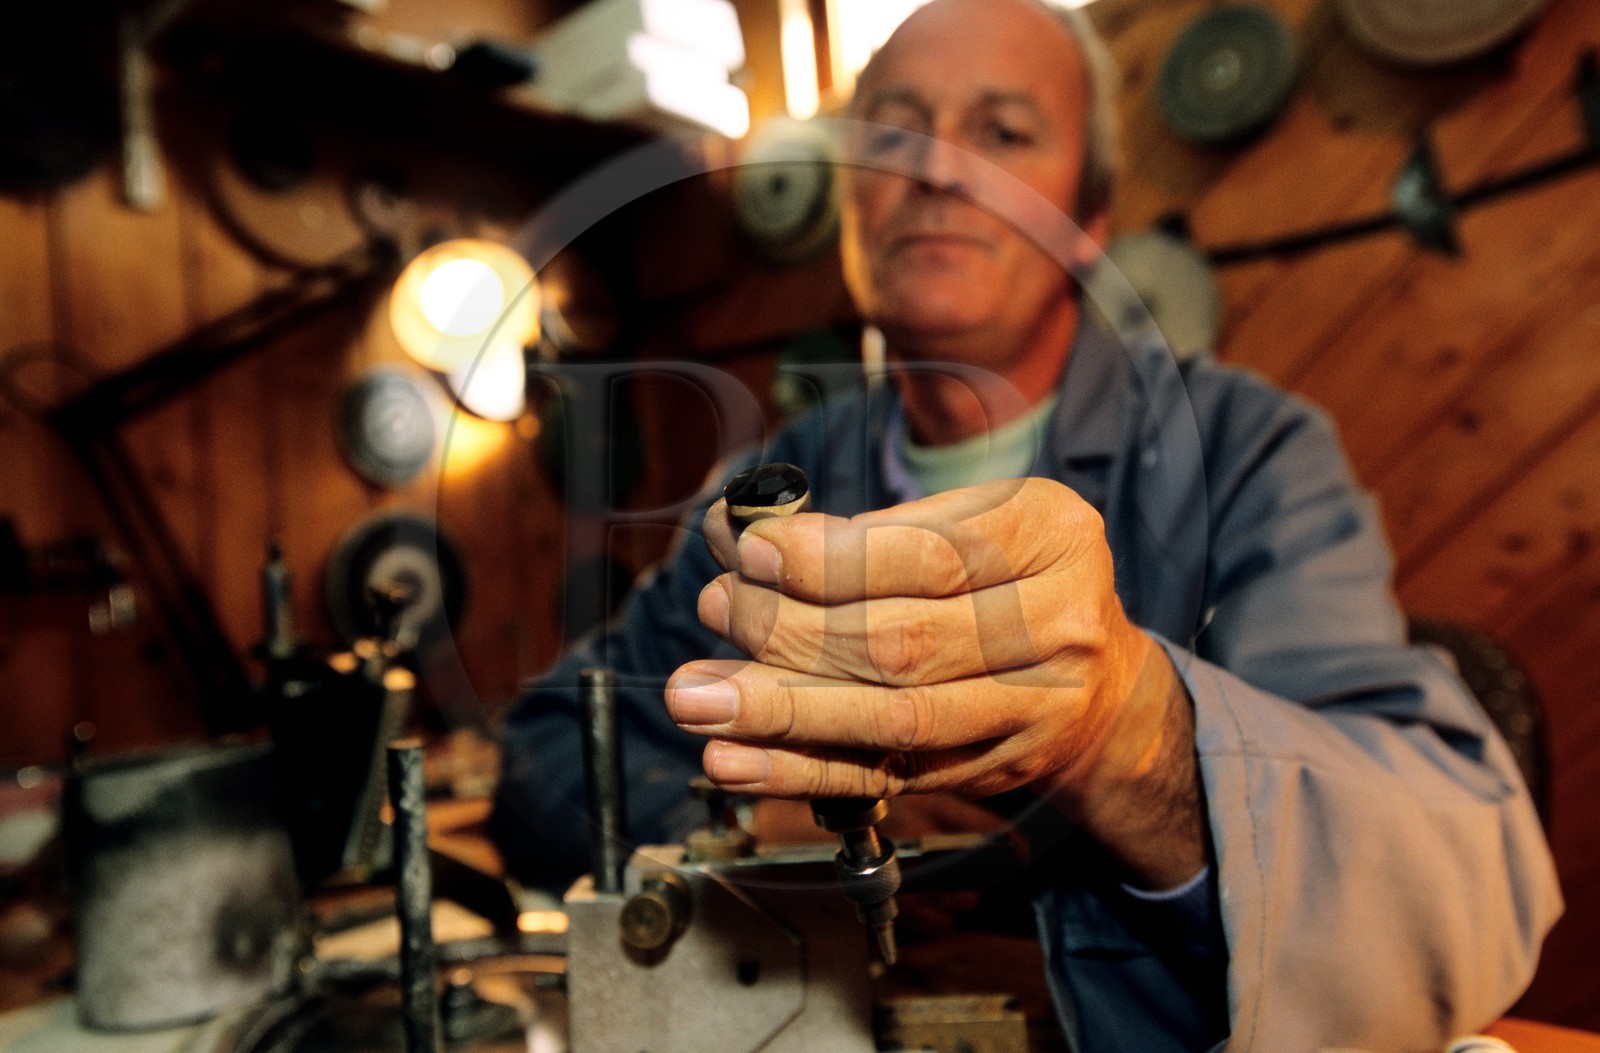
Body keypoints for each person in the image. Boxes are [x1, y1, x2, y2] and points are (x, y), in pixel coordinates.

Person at [491, 0, 1562, 1048]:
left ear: (1088, 222)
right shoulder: (769, 491)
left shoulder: (1244, 452)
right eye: (893, 134)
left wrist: (1129, 731)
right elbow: (542, 760)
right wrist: (749, 828)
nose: (934, 169)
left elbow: (1462, 869)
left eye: (1001, 132)